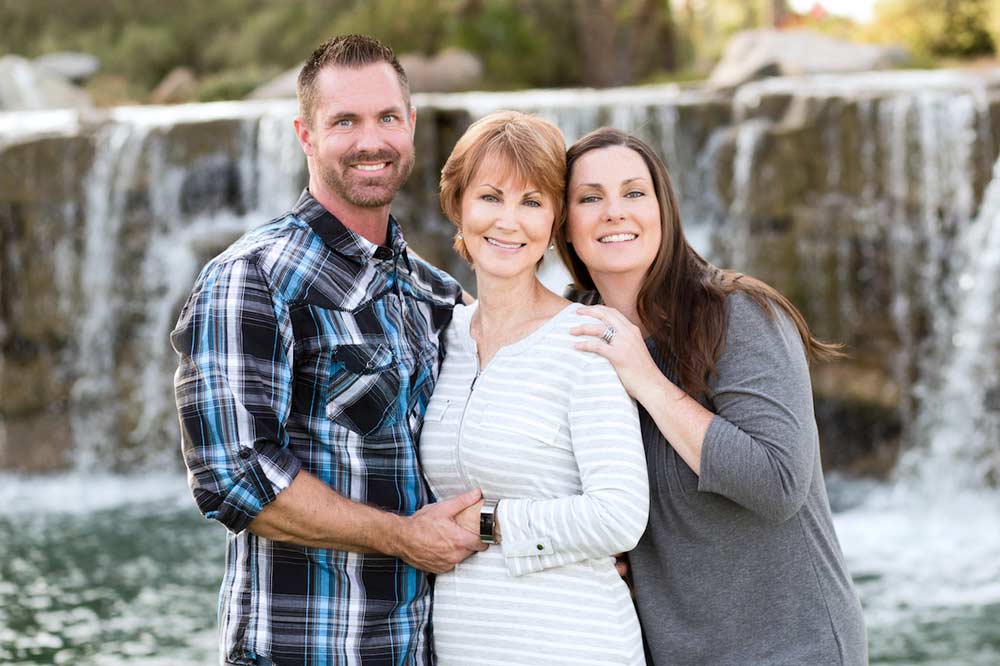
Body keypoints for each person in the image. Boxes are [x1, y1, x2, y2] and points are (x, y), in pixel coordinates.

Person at [170, 34, 486, 666]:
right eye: (345, 121)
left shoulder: (439, 295)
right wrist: (401, 538)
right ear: (305, 135)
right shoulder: (252, 278)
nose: (371, 140)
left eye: (386, 118)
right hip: (304, 649)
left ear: (411, 126)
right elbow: (235, 478)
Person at [557, 128, 868, 666]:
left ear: (664, 209)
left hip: (790, 648)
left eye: (634, 193)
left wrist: (646, 379)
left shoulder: (738, 314)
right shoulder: (573, 336)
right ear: (564, 225)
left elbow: (778, 483)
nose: (614, 212)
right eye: (590, 198)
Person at [418, 111, 649, 665]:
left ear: (554, 223)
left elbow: (621, 515)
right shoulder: (437, 338)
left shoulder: (586, 339)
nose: (508, 221)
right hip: (466, 646)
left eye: (532, 202)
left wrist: (495, 523)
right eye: (491, 197)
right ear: (459, 206)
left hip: (574, 643)